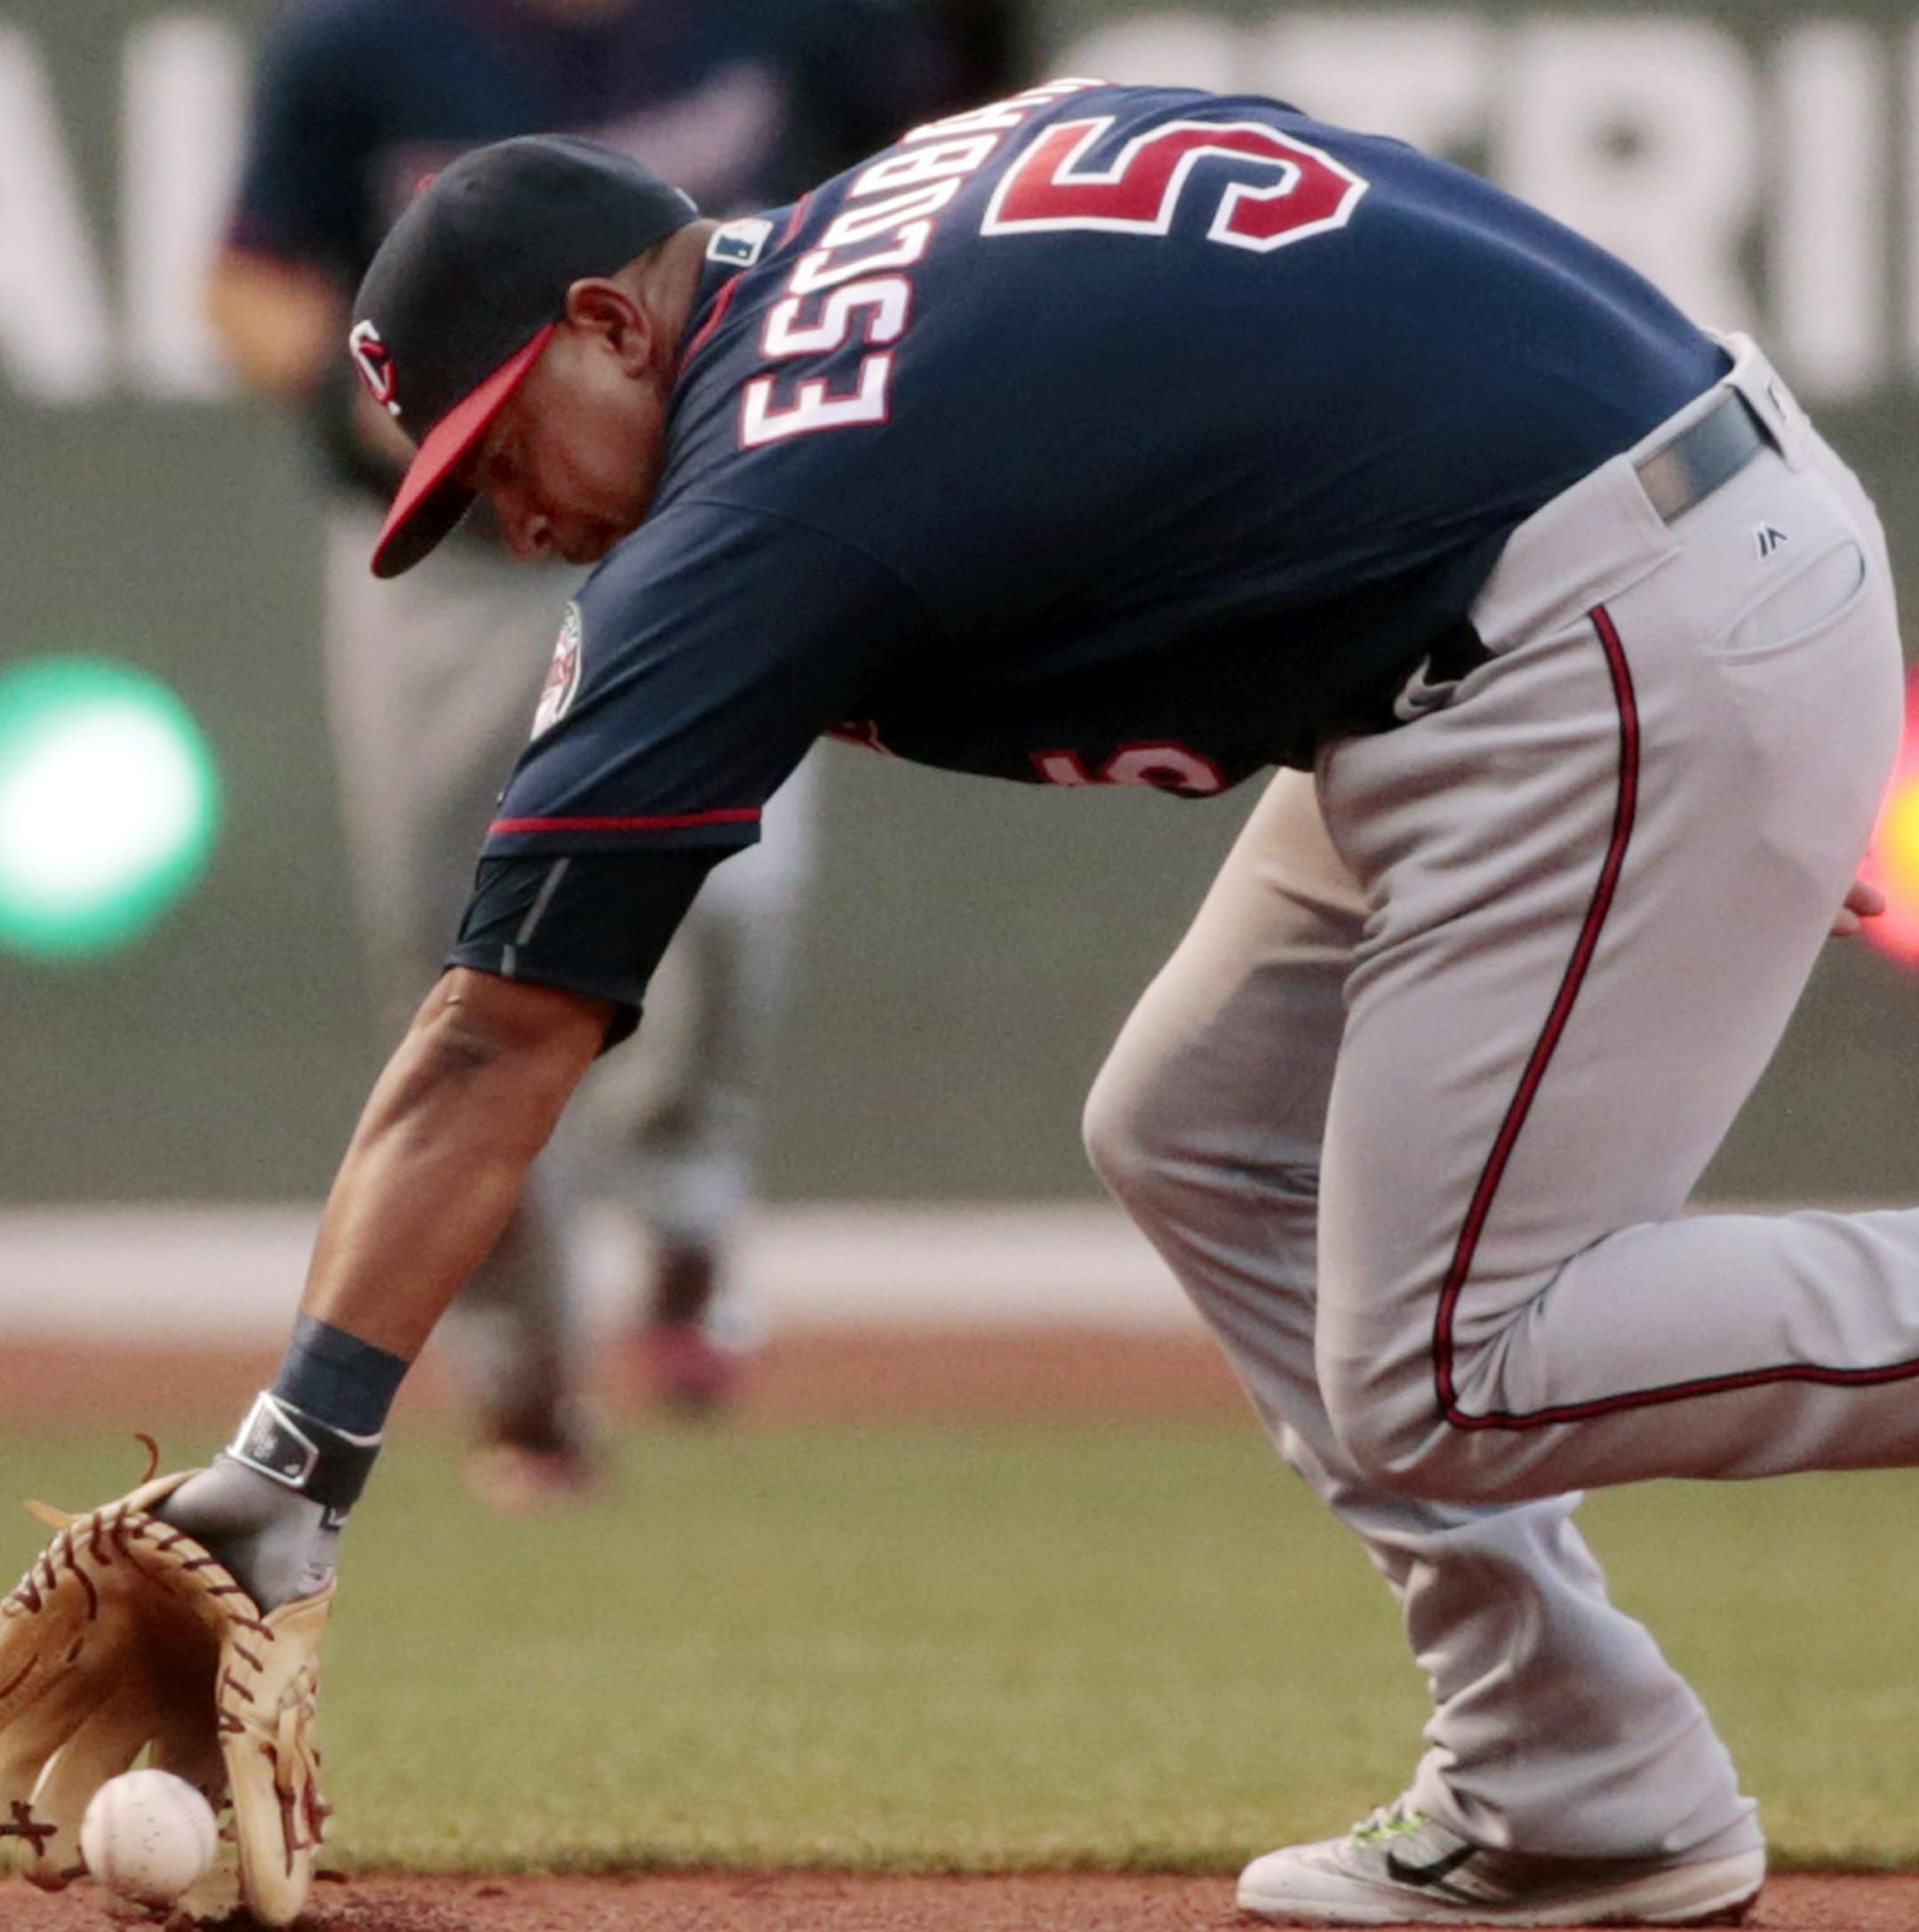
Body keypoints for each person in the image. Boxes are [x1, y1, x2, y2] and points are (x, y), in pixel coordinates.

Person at [155, 75, 1909, 1926]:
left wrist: (298, 1456)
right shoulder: (885, 212)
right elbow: (1373, 240)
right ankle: (1579, 1772)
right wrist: (1723, 660)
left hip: (1596, 629)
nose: (514, 521)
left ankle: (1585, 1769)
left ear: (609, 320)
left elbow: (501, 1032)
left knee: (1446, 1370)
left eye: (505, 446)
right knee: (1197, 1133)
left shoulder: (764, 492)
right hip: (1609, 574)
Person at [208, 0, 968, 1490]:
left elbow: (930, 176)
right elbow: (245, 281)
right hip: (454, 562)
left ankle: (687, 1212)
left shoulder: (800, 26)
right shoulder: (363, 42)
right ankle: (523, 1371)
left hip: (725, 506)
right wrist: (386, 413)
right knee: (463, 967)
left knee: (730, 904)